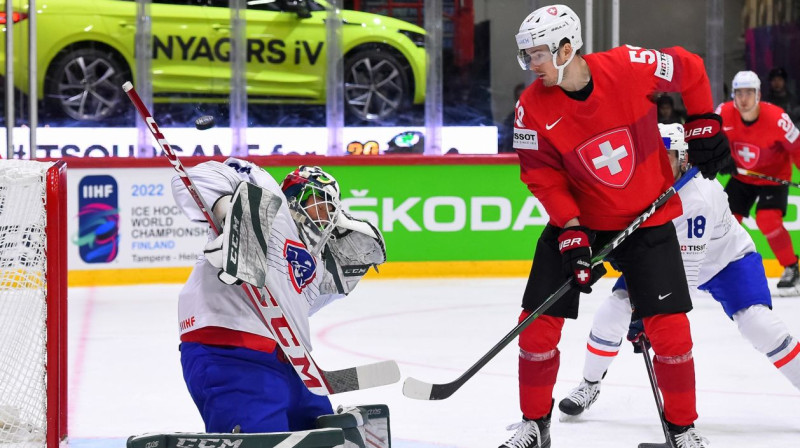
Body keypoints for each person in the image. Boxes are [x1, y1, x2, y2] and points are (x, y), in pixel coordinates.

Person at [505, 4, 734, 447]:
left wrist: (704, 120)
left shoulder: (630, 65)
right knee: (536, 324)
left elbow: (692, 68)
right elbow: (541, 173)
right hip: (581, 223)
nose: (531, 65)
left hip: (646, 220)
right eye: (527, 55)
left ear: (566, 48)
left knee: (670, 331)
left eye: (537, 54)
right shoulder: (530, 106)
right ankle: (535, 424)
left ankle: (683, 428)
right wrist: (569, 228)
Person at [558, 123, 800, 424]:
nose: (658, 164)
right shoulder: (634, 183)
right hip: (660, 256)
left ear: (684, 158)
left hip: (727, 261)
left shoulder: (700, 196)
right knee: (611, 312)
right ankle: (590, 383)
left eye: (667, 156)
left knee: (759, 324)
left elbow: (683, 277)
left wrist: (647, 314)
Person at [171, 159, 386, 433]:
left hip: (297, 368)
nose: (326, 213)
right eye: (319, 201)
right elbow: (199, 176)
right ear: (296, 196)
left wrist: (343, 279)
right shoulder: (270, 202)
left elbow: (293, 309)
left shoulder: (316, 261)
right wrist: (230, 222)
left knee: (325, 438)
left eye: (332, 207)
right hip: (233, 354)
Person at [716, 70, 800, 296]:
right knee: (726, 222)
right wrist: (720, 158)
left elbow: (797, 148)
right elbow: (711, 140)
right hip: (741, 176)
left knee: (768, 220)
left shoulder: (778, 119)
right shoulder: (723, 113)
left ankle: (792, 268)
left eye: (749, 93)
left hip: (774, 177)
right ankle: (725, 269)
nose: (743, 99)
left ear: (759, 94)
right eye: (738, 93)